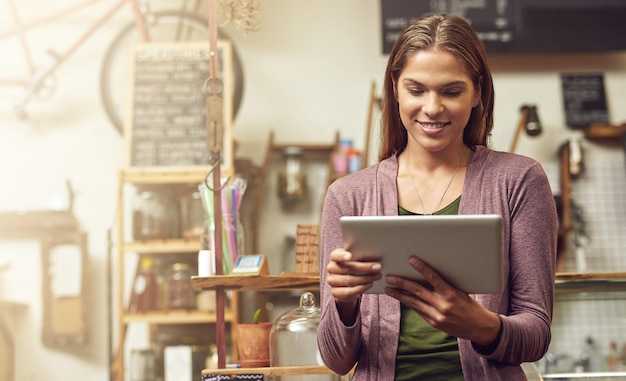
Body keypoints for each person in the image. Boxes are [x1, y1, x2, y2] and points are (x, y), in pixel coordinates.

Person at [317, 14, 557, 380]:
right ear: (395, 87)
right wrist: (345, 302)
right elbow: (336, 360)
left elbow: (536, 335)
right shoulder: (347, 196)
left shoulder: (519, 180)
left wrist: (482, 326)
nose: (432, 108)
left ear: (477, 91)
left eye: (451, 91)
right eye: (417, 90)